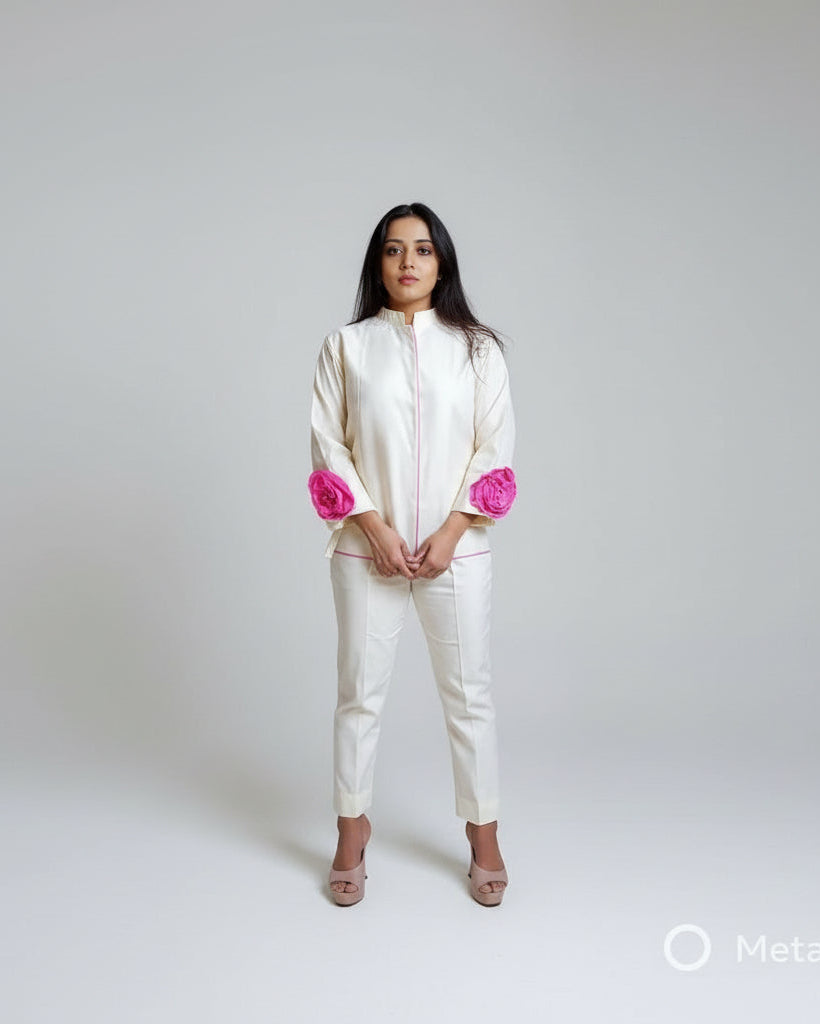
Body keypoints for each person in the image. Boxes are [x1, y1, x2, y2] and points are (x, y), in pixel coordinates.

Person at [308, 202, 517, 907]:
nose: (408, 262)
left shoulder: (479, 348)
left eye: (422, 250)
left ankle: (483, 835)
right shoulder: (346, 346)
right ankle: (350, 828)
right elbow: (327, 446)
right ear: (378, 263)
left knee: (471, 697)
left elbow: (496, 446)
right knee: (357, 698)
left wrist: (453, 532)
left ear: (441, 262)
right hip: (367, 552)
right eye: (394, 250)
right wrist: (373, 528)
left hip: (456, 552)